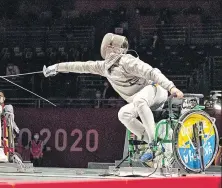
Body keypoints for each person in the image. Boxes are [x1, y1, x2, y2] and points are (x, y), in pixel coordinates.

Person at [43, 33, 184, 162]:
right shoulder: (103, 67)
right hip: (141, 101)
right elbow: (79, 66)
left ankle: (152, 145)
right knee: (123, 114)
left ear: (113, 48)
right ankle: (154, 143)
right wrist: (55, 67)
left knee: (139, 100)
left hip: (155, 92)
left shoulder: (128, 61)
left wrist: (171, 87)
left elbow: (152, 72)